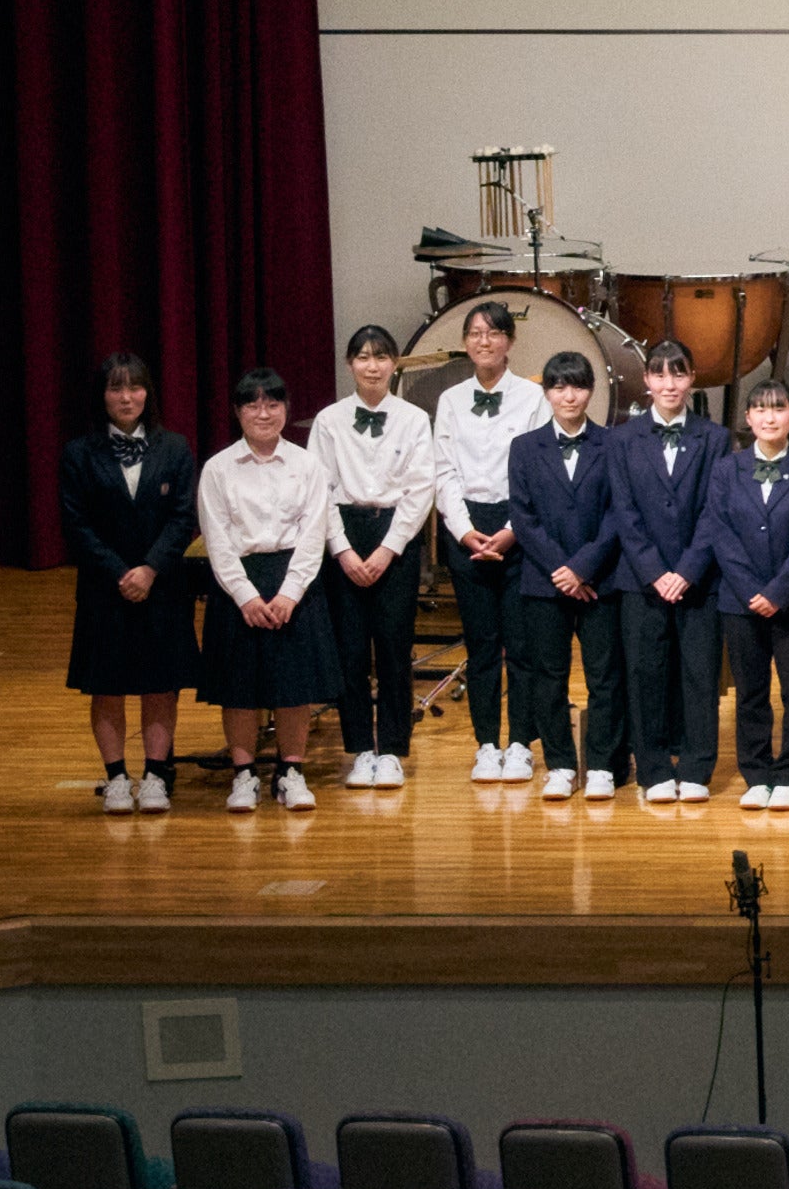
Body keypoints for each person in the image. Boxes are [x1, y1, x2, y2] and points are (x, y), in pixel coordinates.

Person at [194, 367, 336, 813]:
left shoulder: (307, 464)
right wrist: (245, 595)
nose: (263, 413)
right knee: (239, 686)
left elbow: (314, 532)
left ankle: (291, 772)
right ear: (237, 412)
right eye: (253, 405)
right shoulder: (218, 468)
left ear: (285, 410)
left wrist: (291, 592)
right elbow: (216, 538)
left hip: (295, 579)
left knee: (294, 685)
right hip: (238, 583)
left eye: (273, 404)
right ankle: (243, 774)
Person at [63, 353, 197, 812]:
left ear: (147, 392)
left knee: (160, 684)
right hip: (105, 589)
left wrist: (150, 569)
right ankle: (116, 777)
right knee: (107, 685)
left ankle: (155, 776)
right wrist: (121, 572)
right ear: (101, 396)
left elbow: (183, 517)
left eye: (134, 387)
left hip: (162, 586)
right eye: (115, 388)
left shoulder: (175, 447)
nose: (126, 397)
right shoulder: (79, 453)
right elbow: (76, 525)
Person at [697, 373, 789, 806]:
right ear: (748, 417)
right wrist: (752, 590)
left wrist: (777, 592)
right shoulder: (725, 469)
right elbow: (721, 534)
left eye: (778, 408)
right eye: (760, 409)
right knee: (750, 693)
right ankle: (756, 775)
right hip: (740, 602)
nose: (769, 417)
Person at [605, 339, 729, 804]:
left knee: (700, 676)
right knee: (644, 675)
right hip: (641, 580)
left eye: (678, 373)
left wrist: (688, 570)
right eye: (659, 374)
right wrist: (656, 571)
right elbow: (624, 511)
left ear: (692, 377)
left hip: (699, 580)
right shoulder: (622, 439)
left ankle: (697, 768)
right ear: (646, 381)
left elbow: (716, 512)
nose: (669, 383)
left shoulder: (715, 438)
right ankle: (653, 769)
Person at [315, 325, 439, 789]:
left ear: (394, 364)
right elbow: (319, 488)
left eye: (381, 357)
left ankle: (391, 750)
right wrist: (343, 550)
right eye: (363, 357)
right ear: (350, 364)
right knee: (349, 650)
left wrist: (389, 547)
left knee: (393, 648)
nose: (373, 366)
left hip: (395, 535)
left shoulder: (413, 418)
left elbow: (421, 488)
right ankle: (359, 750)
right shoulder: (329, 420)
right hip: (343, 533)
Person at [429, 300, 541, 778]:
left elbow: (537, 471)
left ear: (509, 341)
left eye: (494, 332)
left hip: (519, 527)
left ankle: (520, 744)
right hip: (468, 528)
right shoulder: (451, 400)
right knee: (481, 645)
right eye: (475, 333)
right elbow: (443, 471)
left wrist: (513, 531)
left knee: (521, 645)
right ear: (465, 342)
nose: (484, 341)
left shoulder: (533, 397)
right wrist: (463, 529)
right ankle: (487, 743)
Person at [503, 350, 622, 798]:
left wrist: (584, 568)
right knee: (546, 676)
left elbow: (619, 514)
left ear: (590, 391)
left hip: (600, 579)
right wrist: (562, 570)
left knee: (604, 677)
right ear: (547, 392)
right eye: (558, 386)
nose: (568, 396)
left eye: (577, 386)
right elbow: (523, 517)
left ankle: (602, 766)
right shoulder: (524, 447)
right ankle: (560, 764)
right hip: (544, 581)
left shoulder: (613, 444)